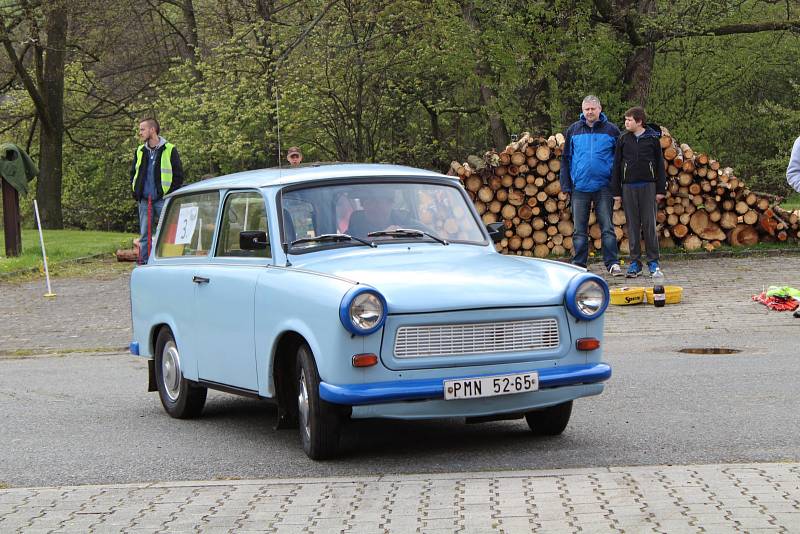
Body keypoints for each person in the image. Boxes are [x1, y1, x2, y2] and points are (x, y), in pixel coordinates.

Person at [560, 95, 622, 276]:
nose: (589, 112)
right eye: (586, 109)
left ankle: (612, 263)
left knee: (607, 228)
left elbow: (618, 161)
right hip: (579, 187)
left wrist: (616, 185)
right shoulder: (574, 130)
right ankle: (579, 264)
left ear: (600, 109)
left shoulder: (612, 130)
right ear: (582, 110)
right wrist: (566, 185)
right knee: (579, 230)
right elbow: (566, 159)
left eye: (593, 109)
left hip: (604, 187)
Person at [611, 106, 666, 278]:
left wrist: (660, 190)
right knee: (632, 226)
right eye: (625, 120)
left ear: (639, 121)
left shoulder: (652, 139)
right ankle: (635, 263)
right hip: (628, 187)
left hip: (648, 187)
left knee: (649, 225)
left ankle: (653, 262)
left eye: (629, 120)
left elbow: (659, 166)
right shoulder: (623, 139)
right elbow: (617, 165)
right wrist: (617, 191)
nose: (626, 123)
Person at [130, 118, 184, 264]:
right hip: (144, 200)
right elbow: (133, 173)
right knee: (144, 235)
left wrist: (168, 194)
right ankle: (144, 263)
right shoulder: (140, 151)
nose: (140, 132)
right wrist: (136, 192)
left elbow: (178, 175)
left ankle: (168, 261)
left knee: (168, 232)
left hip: (162, 200)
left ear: (152, 130)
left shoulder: (170, 149)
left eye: (142, 129)